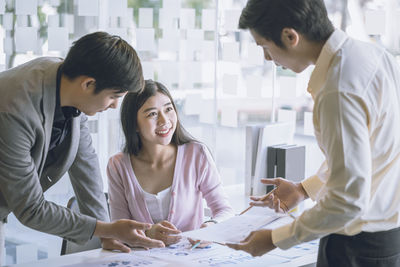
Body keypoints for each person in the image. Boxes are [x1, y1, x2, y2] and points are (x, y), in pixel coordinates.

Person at [227, 0, 400, 266]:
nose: (266, 58)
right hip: (387, 242)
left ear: (290, 36)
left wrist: (275, 238)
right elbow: (372, 156)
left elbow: (347, 201)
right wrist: (303, 189)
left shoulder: (338, 89)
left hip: (355, 248)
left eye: (264, 46)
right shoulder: (373, 56)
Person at [0, 31, 164, 264]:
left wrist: (107, 232)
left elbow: (86, 167)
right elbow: (31, 209)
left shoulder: (68, 84)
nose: (115, 106)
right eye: (114, 96)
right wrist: (104, 229)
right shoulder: (13, 109)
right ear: (88, 84)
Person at [107, 80, 234, 246]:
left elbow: (225, 210)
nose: (164, 120)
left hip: (192, 258)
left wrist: (210, 227)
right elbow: (119, 231)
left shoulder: (196, 154)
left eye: (168, 109)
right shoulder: (118, 165)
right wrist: (148, 232)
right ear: (134, 124)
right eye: (152, 114)